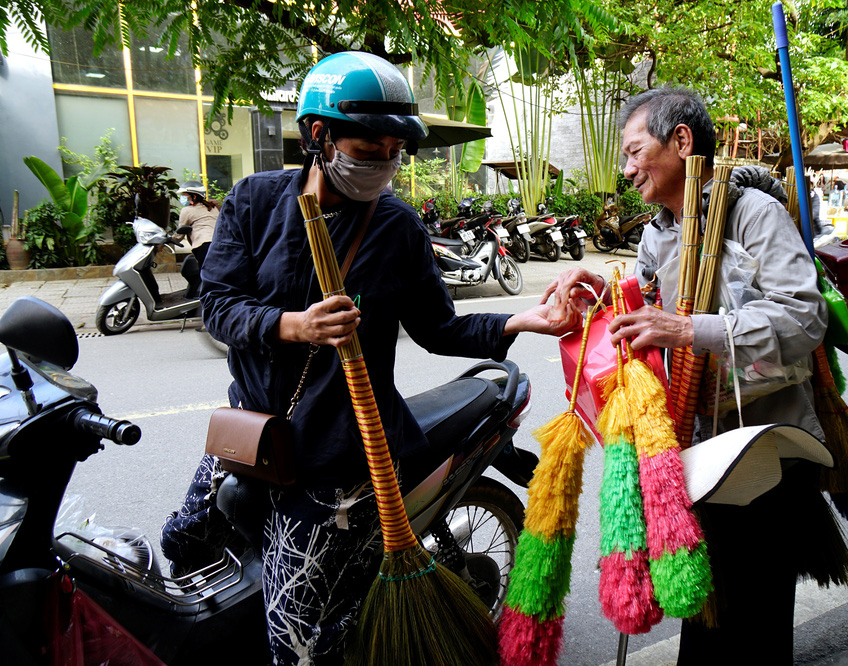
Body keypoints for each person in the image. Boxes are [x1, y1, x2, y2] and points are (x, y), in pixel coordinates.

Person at [163, 52, 576, 665]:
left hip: (339, 456)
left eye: (393, 148)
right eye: (368, 143)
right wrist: (291, 325)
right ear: (318, 134)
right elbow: (218, 307)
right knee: (184, 542)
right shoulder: (253, 202)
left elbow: (438, 328)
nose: (381, 159)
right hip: (252, 434)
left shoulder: (398, 228)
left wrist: (523, 320)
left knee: (294, 638)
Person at [544, 86, 848, 663]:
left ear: (681, 142)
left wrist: (691, 330)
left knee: (756, 627)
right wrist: (597, 296)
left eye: (636, 151)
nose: (627, 168)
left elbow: (802, 318)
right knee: (707, 626)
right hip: (694, 453)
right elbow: (642, 320)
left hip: (764, 454)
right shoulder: (658, 230)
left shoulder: (752, 213)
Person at [175, 181, 220, 267]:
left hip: (203, 246)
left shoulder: (187, 210)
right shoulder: (213, 208)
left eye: (184, 195)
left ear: (194, 196)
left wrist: (169, 241)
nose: (182, 198)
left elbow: (179, 235)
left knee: (205, 274)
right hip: (218, 244)